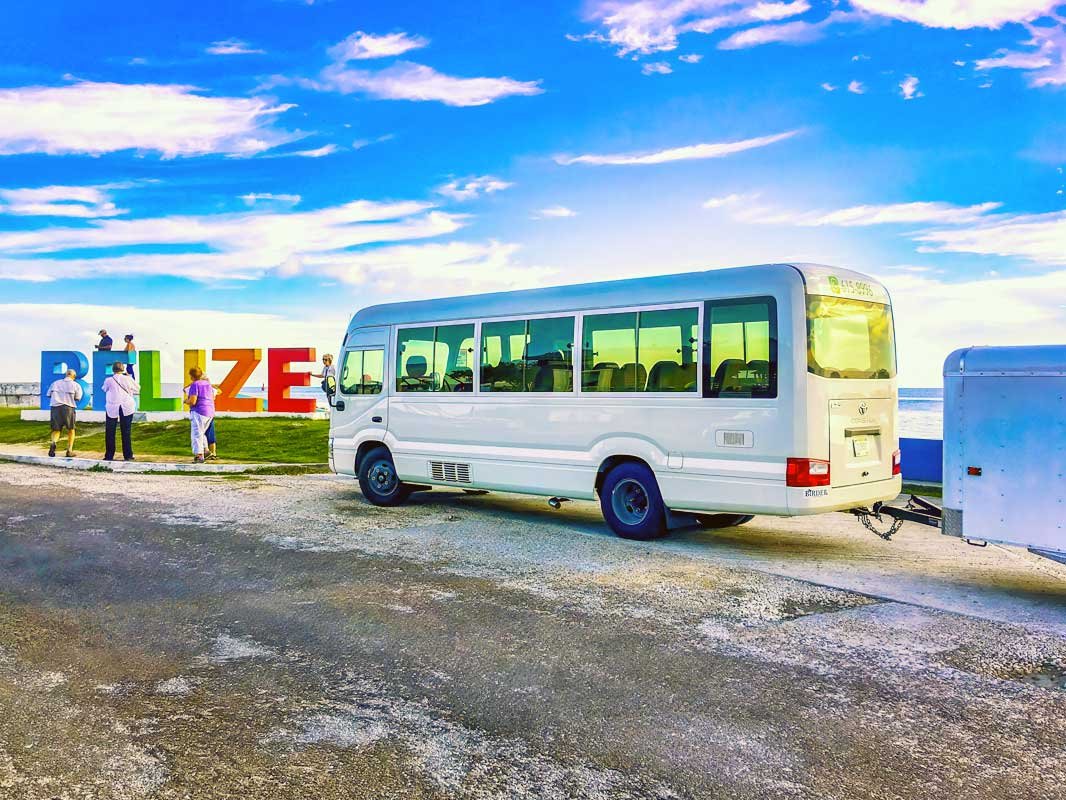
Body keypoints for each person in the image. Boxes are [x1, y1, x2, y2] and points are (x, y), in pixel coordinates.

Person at [102, 360, 139, 461]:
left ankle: (109, 455)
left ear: (113, 369)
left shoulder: (108, 380)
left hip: (112, 406)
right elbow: (138, 389)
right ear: (122, 369)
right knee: (126, 431)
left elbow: (104, 389)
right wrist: (129, 377)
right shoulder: (128, 379)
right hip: (127, 406)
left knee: (110, 431)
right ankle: (128, 455)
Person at [45, 369, 83, 458]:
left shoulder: (55, 383)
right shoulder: (76, 385)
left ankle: (53, 443)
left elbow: (48, 394)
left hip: (55, 408)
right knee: (71, 429)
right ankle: (69, 450)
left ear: (65, 375)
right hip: (68, 408)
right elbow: (78, 398)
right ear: (74, 376)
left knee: (56, 429)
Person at [184, 367, 216, 463]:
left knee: (196, 434)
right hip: (210, 412)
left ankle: (199, 455)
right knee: (201, 433)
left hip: (199, 411)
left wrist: (186, 401)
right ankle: (206, 450)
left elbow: (193, 401)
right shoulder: (208, 384)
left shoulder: (195, 384)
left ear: (191, 376)